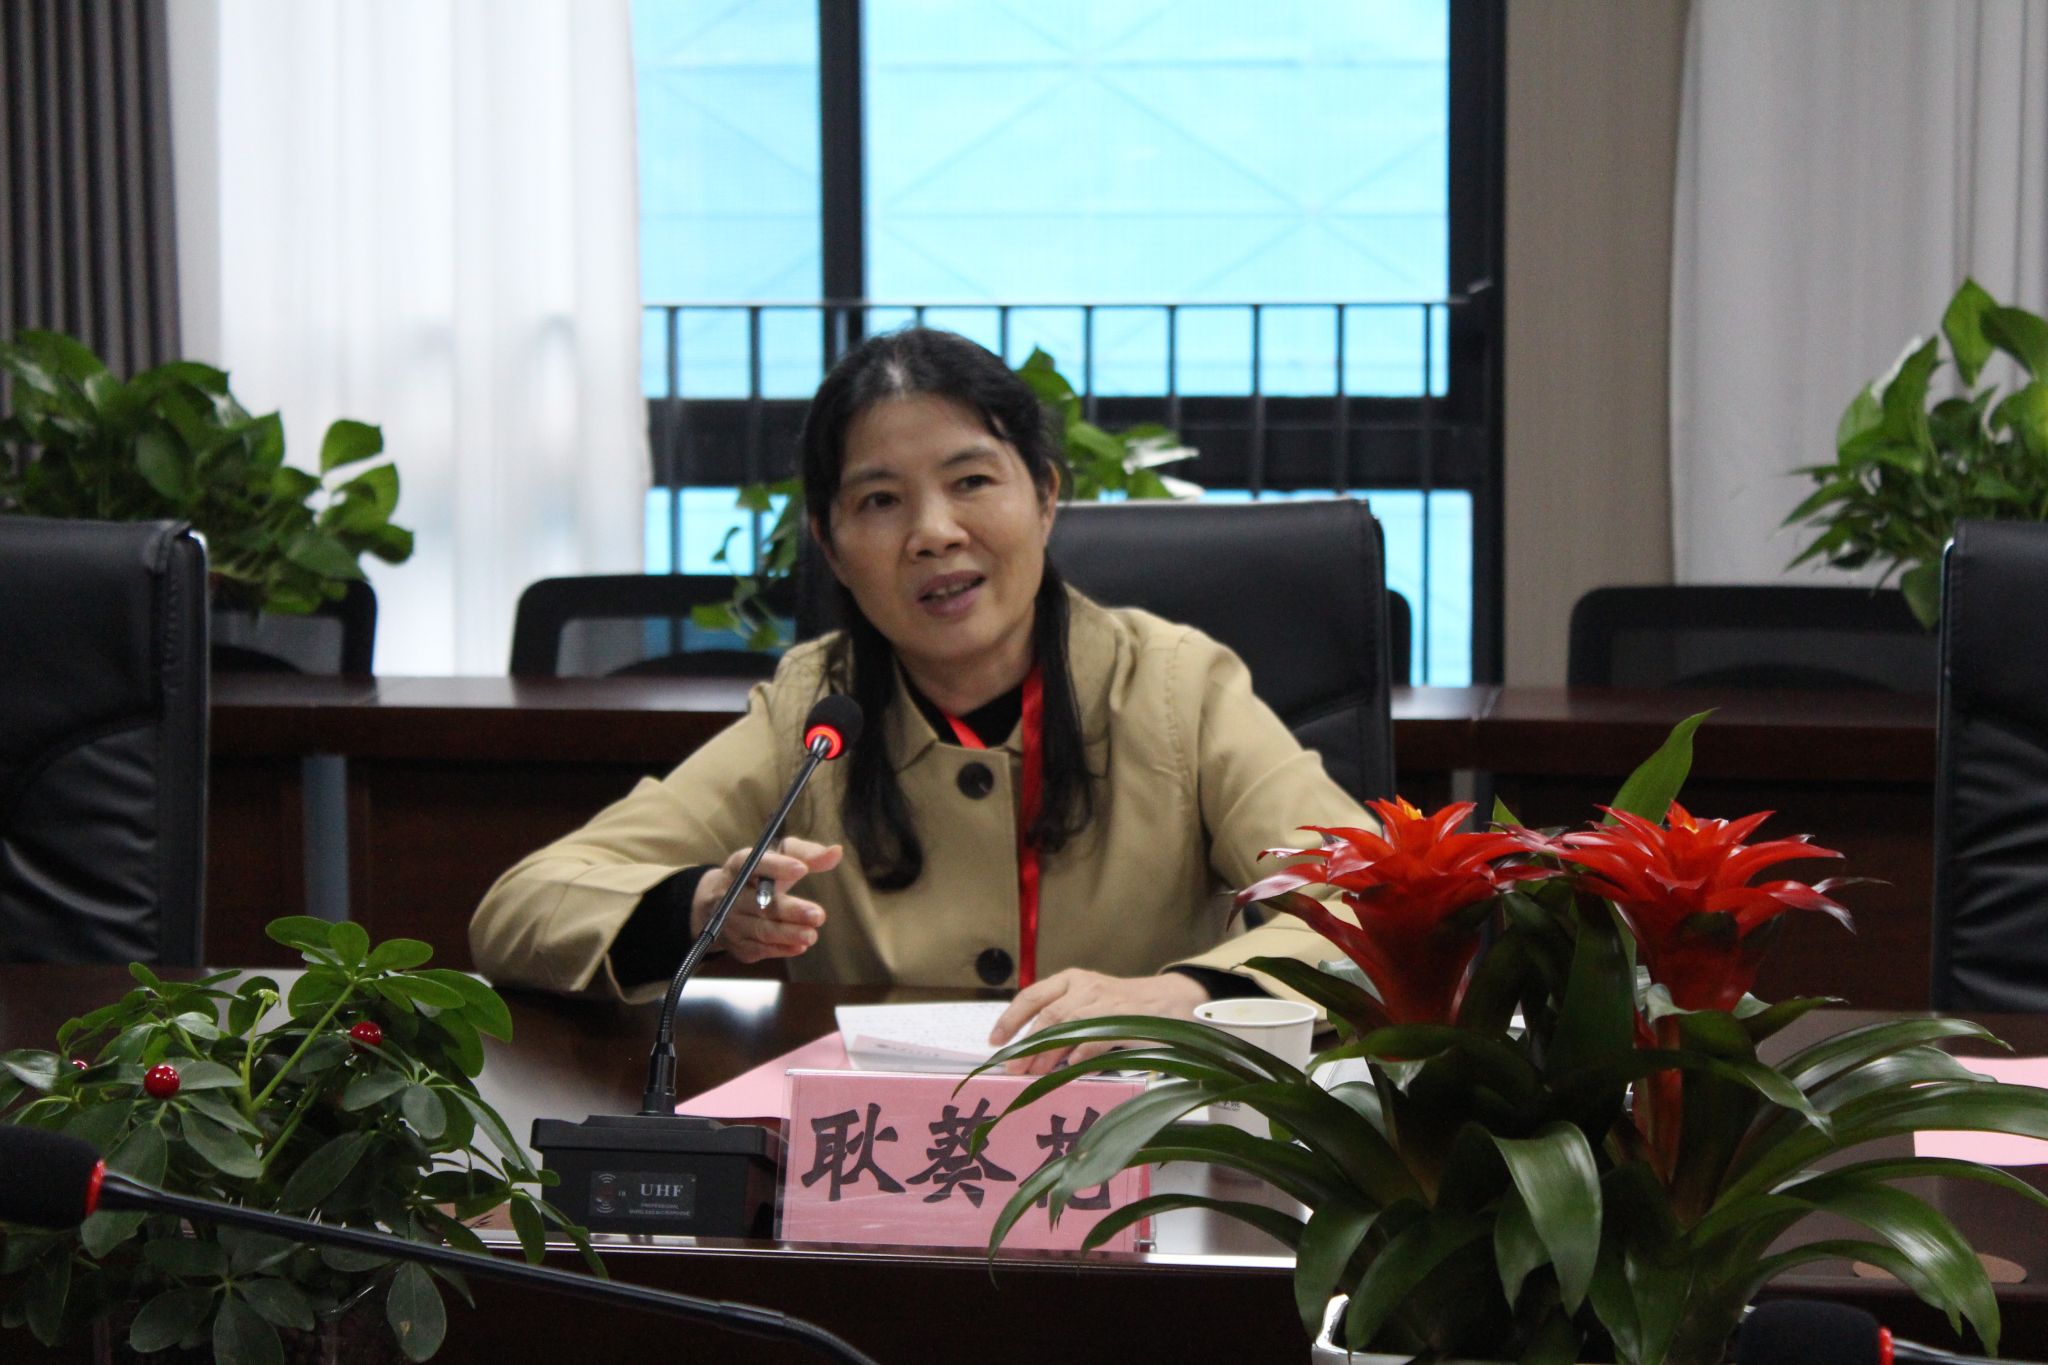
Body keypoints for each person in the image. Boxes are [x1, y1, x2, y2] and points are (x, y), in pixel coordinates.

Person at [469, 328, 1373, 1071]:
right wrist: (703, 906)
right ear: (830, 545)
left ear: (1045, 496)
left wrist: (1183, 997)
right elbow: (521, 908)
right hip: (883, 1169)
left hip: (1143, 1152)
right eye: (880, 501)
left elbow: (1374, 903)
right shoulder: (815, 715)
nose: (934, 532)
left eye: (972, 481)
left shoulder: (1177, 687)